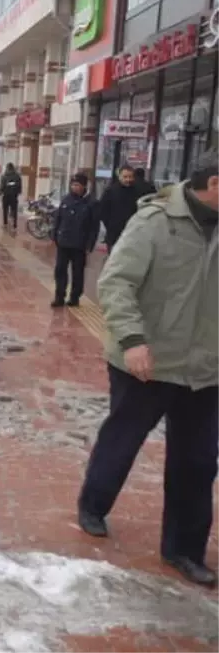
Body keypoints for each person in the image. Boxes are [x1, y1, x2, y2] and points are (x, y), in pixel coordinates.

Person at [77, 149, 219, 586]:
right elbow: (116, 282)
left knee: (197, 462)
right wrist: (134, 340)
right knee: (123, 439)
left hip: (206, 368)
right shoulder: (155, 221)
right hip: (146, 362)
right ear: (215, 185)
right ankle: (93, 503)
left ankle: (183, 549)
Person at [50, 173, 99, 307]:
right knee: (60, 270)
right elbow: (58, 219)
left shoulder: (91, 203)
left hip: (80, 244)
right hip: (63, 242)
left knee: (77, 272)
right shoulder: (66, 199)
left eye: (77, 185)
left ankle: (75, 297)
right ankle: (59, 296)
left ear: (84, 186)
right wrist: (54, 236)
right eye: (73, 185)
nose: (74, 187)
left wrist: (90, 244)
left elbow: (94, 226)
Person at [97, 164, 143, 251]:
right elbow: (102, 210)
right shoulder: (110, 191)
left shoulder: (138, 192)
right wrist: (110, 225)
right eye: (125, 177)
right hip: (114, 234)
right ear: (119, 177)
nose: (128, 179)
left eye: (130, 177)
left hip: (133, 234)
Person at [0, 162, 23, 232]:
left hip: (6, 196)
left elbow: (2, 185)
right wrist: (18, 192)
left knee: (5, 211)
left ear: (7, 168)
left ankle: (5, 224)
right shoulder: (17, 176)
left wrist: (0, 192)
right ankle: (15, 225)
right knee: (14, 211)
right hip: (14, 196)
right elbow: (19, 185)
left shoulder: (4, 176)